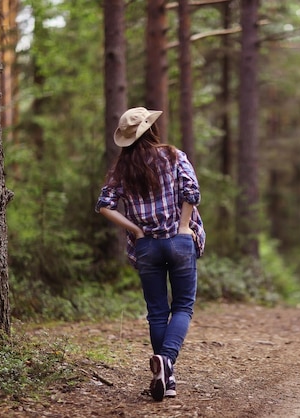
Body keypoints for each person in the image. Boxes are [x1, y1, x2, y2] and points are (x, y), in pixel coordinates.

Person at [95, 107, 205, 402]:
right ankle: (166, 361)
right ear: (150, 130)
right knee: (182, 306)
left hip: (147, 246)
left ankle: (165, 379)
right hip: (178, 240)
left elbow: (104, 205)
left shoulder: (122, 169)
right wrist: (183, 227)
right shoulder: (172, 155)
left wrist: (136, 230)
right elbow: (191, 192)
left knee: (157, 312)